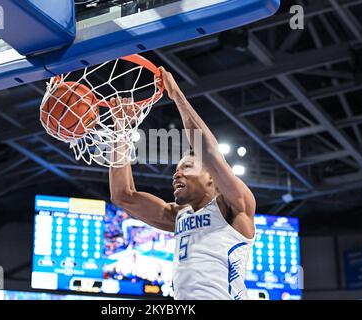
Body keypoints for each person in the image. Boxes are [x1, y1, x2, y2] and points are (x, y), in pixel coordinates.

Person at [108, 67, 256, 300]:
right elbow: (123, 195)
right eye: (176, 170)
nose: (176, 175)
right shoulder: (177, 216)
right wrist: (122, 131)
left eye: (186, 167)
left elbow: (207, 151)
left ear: (211, 178)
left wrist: (176, 94)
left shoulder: (234, 206)